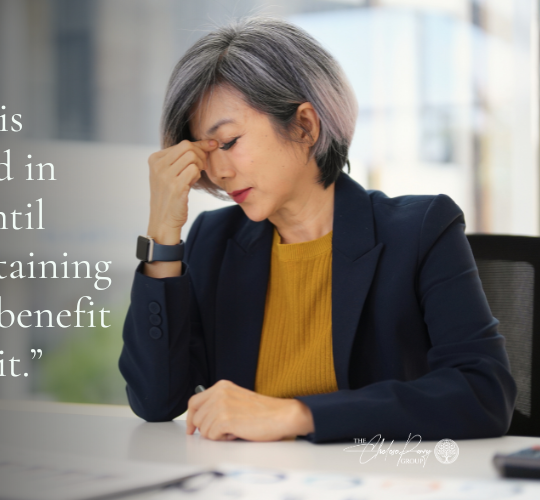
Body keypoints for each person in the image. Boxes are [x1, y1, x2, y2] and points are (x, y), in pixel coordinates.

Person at [118, 17, 516, 443]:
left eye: (229, 142)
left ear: (305, 125)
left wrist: (297, 415)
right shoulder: (212, 240)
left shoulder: (420, 230)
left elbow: (482, 393)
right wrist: (162, 234)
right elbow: (155, 401)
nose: (217, 171)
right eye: (203, 151)